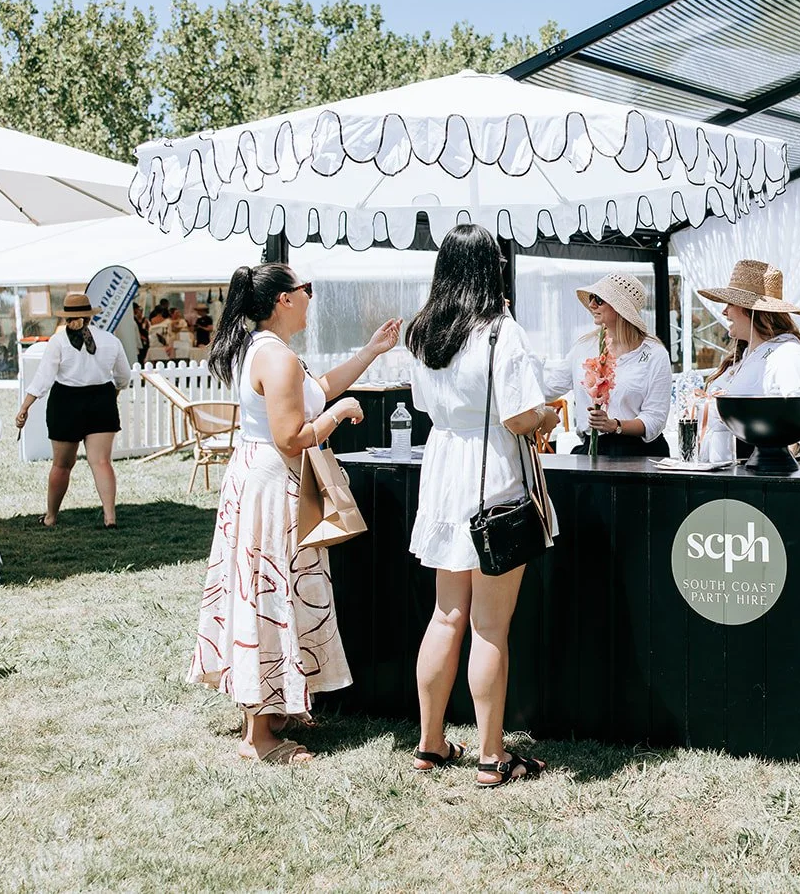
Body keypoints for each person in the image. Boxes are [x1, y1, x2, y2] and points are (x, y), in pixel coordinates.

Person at [187, 263, 401, 764]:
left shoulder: (266, 351)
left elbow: (315, 388)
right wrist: (341, 413)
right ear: (284, 300)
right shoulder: (276, 358)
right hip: (272, 484)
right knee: (270, 592)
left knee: (266, 588)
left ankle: (275, 707)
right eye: (306, 289)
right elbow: (292, 436)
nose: (311, 296)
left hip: (258, 478)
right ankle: (259, 738)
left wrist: (370, 352)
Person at [404, 224, 558, 787]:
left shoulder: (422, 331)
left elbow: (424, 405)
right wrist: (548, 416)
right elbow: (520, 417)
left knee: (446, 615)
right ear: (491, 268)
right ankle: (493, 756)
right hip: (492, 475)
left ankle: (430, 742)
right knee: (490, 626)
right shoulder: (500, 330)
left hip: (444, 470)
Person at [13, 293, 131, 528]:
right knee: (101, 462)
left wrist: (25, 406)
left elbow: (43, 379)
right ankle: (110, 518)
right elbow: (124, 376)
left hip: (66, 403)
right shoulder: (110, 340)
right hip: (102, 401)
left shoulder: (58, 342)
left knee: (61, 465)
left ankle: (51, 517)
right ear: (89, 315)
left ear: (67, 317)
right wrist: (114, 393)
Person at [697, 259, 800, 460]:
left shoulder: (788, 353)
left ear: (750, 310)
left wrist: (771, 468)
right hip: (724, 468)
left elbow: (799, 418)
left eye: (729, 303)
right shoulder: (743, 356)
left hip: (755, 472)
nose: (724, 311)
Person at [543, 273, 672, 457]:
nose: (592, 305)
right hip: (593, 452)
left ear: (620, 308)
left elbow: (655, 419)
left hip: (638, 455)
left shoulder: (654, 354)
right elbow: (547, 388)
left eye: (599, 299)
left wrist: (615, 425)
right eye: (591, 298)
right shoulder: (583, 348)